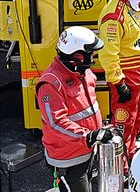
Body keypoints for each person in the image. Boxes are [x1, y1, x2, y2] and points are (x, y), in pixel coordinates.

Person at [36, 27, 112, 192]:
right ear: (77, 56)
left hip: (87, 150)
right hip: (68, 159)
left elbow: (87, 108)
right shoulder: (50, 84)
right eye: (90, 54)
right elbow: (56, 122)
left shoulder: (83, 73)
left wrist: (100, 129)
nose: (93, 57)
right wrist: (88, 135)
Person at [97, 0, 140, 158]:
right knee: (124, 122)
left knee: (138, 116)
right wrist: (119, 83)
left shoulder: (137, 3)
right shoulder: (113, 17)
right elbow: (108, 55)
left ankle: (132, 151)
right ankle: (121, 161)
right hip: (127, 76)